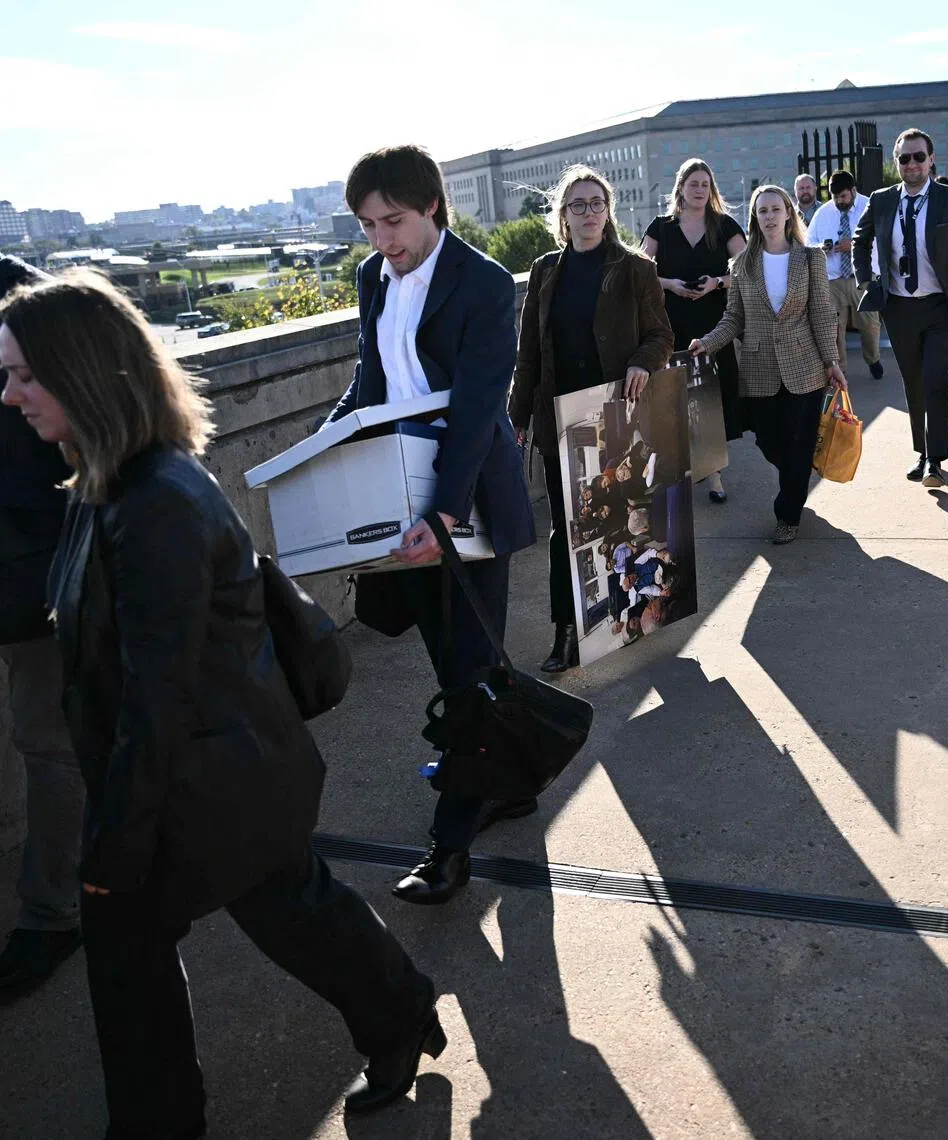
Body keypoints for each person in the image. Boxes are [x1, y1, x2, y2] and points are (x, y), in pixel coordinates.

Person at [0, 269, 443, 1135]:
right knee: (239, 929)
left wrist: (112, 846)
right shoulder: (107, 478)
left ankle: (391, 1017)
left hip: (209, 785)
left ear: (85, 374)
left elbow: (154, 701)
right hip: (204, 775)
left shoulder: (152, 500)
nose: (7, 393)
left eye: (22, 374)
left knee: (285, 918)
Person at [327, 145, 536, 905]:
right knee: (453, 662)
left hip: (467, 495)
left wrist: (444, 511)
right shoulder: (369, 279)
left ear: (433, 209)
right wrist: (320, 448)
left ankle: (448, 850)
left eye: (395, 221)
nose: (382, 239)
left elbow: (480, 408)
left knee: (470, 674)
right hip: (397, 491)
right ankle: (507, 783)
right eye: (368, 225)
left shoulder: (481, 283)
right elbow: (370, 379)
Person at [509, 164, 672, 671]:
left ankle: (632, 611)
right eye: (577, 205)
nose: (588, 213)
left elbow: (660, 335)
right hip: (560, 417)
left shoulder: (634, 269)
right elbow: (528, 353)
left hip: (618, 414)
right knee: (567, 531)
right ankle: (567, 632)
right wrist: (517, 416)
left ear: (609, 211)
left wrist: (642, 363)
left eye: (596, 204)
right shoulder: (544, 272)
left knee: (624, 521)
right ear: (563, 215)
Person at [0, 256, 85, 998]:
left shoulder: (27, 298)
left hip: (31, 576)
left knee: (49, 745)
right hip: (25, 563)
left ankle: (53, 915)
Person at [690, 185, 845, 546]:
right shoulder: (741, 264)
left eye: (776, 209)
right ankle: (796, 476)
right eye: (763, 211)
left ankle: (787, 515)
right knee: (769, 441)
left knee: (800, 441)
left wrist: (831, 361)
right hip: (759, 369)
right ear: (755, 219)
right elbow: (734, 319)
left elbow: (822, 314)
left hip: (805, 367)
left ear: (789, 213)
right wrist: (707, 343)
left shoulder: (810, 259)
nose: (770, 216)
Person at [853, 127, 948, 489]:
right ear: (897, 163)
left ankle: (935, 461)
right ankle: (922, 451)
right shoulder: (881, 200)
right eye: (904, 158)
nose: (912, 164)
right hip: (900, 309)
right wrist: (867, 282)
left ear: (931, 159)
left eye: (918, 156)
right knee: (913, 383)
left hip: (941, 308)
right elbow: (860, 244)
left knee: (934, 380)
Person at [642, 158, 747, 503]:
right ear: (681, 188)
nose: (700, 190)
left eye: (705, 184)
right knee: (676, 399)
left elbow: (751, 270)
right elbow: (641, 273)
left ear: (711, 190)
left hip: (715, 325)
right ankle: (686, 469)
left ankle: (713, 474)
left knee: (711, 398)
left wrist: (717, 282)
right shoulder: (660, 227)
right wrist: (670, 284)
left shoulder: (725, 225)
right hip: (670, 325)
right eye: (694, 184)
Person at [806, 170, 884, 380]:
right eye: (835, 197)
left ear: (853, 191)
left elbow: (884, 237)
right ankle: (840, 370)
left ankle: (873, 358)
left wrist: (856, 245)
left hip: (863, 276)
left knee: (869, 324)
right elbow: (808, 242)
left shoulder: (870, 206)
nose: (839, 201)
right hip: (832, 279)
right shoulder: (822, 214)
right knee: (834, 328)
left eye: (843, 196)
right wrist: (821, 247)